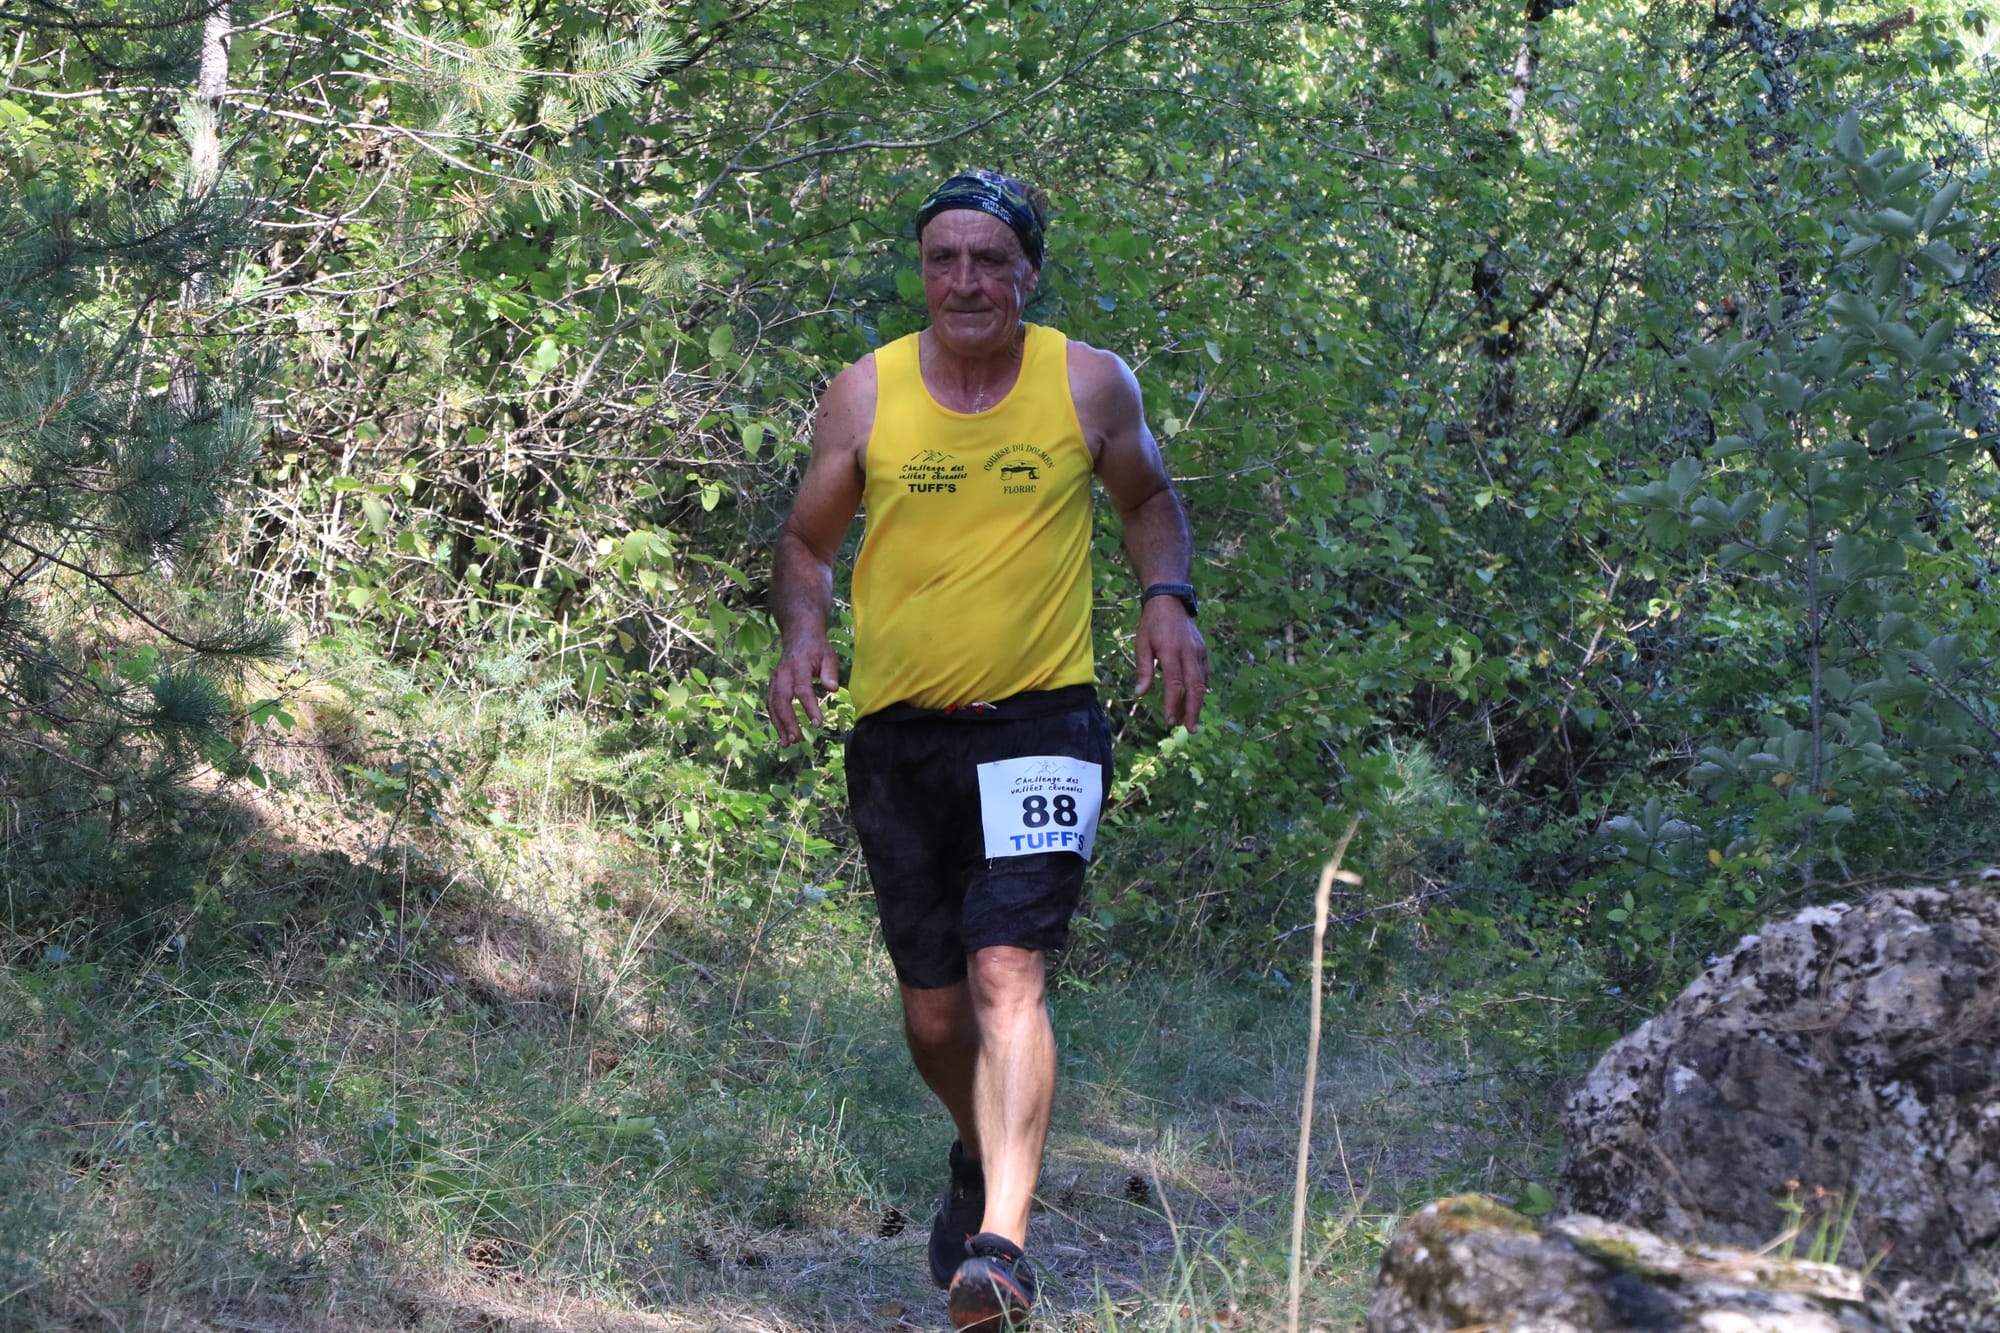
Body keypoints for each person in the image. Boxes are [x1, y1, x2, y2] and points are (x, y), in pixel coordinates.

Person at [766, 169, 1207, 1331]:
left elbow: (1147, 497)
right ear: (924, 271)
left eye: (988, 259)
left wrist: (1166, 595)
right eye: (943, 258)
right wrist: (802, 632)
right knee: (932, 1015)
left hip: (1041, 726)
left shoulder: (1086, 384)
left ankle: (1000, 1251)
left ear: (1027, 272)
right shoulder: (864, 395)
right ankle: (980, 1151)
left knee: (1008, 969)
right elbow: (805, 544)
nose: (964, 278)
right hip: (900, 732)